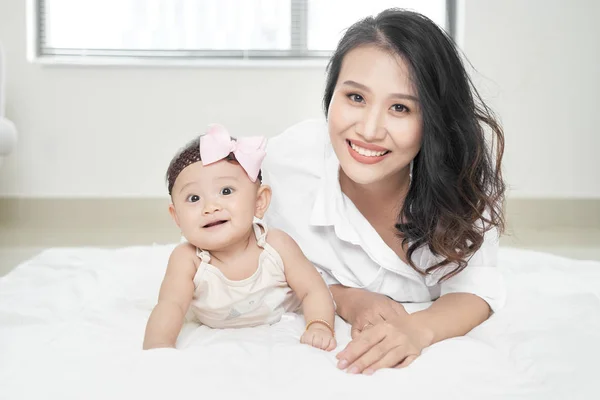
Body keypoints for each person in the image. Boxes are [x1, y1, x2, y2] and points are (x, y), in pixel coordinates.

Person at [263, 8, 506, 375]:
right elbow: (246, 261)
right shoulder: (288, 164)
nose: (370, 130)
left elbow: (477, 289)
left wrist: (417, 328)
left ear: (434, 120)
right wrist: (345, 299)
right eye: (356, 98)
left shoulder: (464, 180)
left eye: (400, 108)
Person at [143, 124, 336, 351]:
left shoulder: (276, 246)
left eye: (226, 191)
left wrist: (319, 325)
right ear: (176, 217)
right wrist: (158, 346)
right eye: (194, 198)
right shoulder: (188, 260)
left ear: (259, 201)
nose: (210, 207)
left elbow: (313, 290)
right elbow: (171, 305)